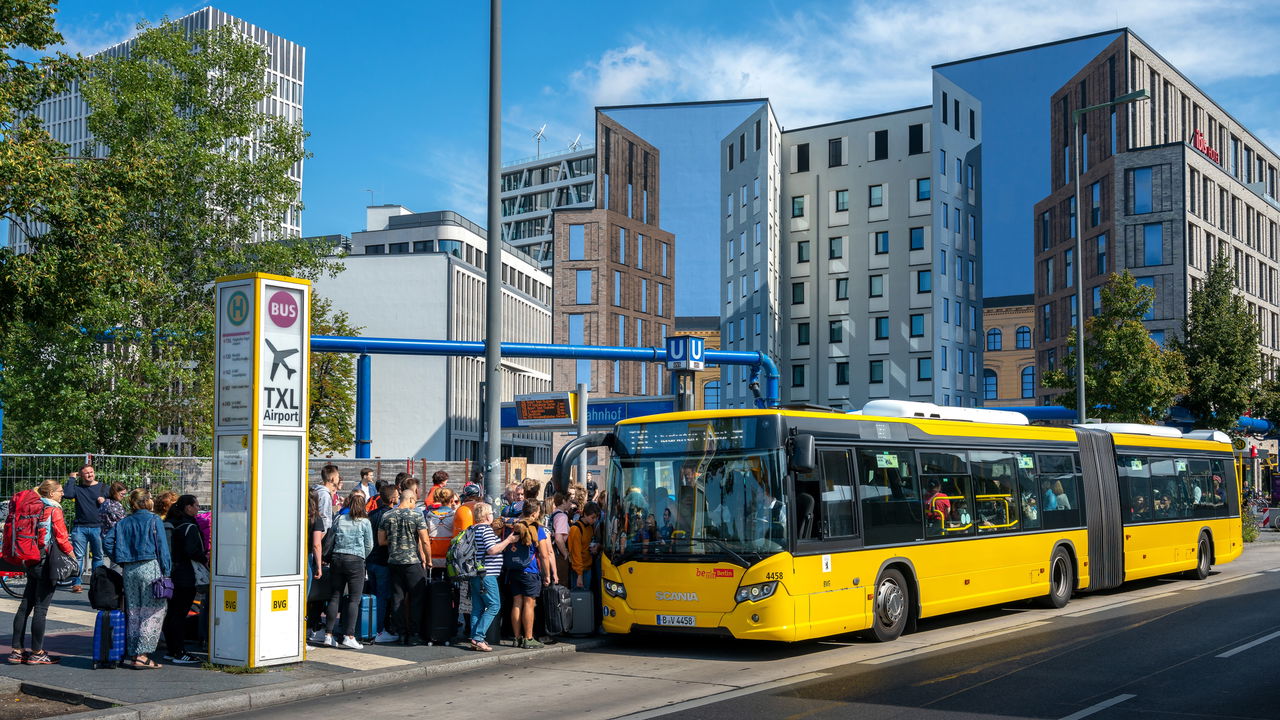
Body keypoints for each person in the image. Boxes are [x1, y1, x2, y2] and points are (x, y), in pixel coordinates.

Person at [8, 480, 75, 665]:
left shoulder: (34, 507)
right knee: (41, 608)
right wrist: (74, 557)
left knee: (25, 605)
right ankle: (37, 652)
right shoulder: (54, 509)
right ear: (51, 494)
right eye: (60, 491)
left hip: (30, 558)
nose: (63, 494)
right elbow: (61, 538)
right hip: (46, 562)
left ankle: (16, 650)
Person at [104, 489, 170, 669]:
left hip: (130, 569)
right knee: (153, 610)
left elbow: (107, 542)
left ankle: (134, 653)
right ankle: (143, 655)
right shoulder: (154, 520)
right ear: (146, 502)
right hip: (150, 566)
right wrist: (167, 571)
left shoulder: (123, 522)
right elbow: (162, 549)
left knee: (133, 610)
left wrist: (120, 558)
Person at [378, 479, 430, 645]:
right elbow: (425, 540)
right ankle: (414, 634)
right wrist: (428, 560)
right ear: (411, 500)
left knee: (397, 598)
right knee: (416, 599)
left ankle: (401, 633)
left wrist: (395, 541)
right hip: (413, 562)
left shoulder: (387, 515)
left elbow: (381, 541)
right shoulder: (417, 515)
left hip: (393, 561)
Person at [161, 495, 207, 664]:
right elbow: (192, 551)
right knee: (180, 613)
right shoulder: (190, 526)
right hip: (186, 574)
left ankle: (172, 650)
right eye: (196, 505)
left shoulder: (172, 523)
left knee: (172, 612)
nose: (198, 508)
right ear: (188, 507)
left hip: (172, 573)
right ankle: (180, 652)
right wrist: (204, 558)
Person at [325, 493, 373, 650]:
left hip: (337, 558)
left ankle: (329, 634)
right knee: (354, 599)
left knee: (335, 595)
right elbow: (369, 545)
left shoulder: (339, 519)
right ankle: (349, 635)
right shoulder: (365, 522)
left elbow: (331, 538)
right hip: (355, 560)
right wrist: (361, 557)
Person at [505, 503, 555, 649]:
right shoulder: (535, 528)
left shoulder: (514, 525)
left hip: (513, 570)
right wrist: (547, 575)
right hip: (530, 570)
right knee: (529, 603)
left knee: (516, 603)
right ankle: (528, 638)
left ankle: (516, 638)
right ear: (534, 513)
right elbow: (544, 555)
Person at [468, 503, 516, 651]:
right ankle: (479, 637)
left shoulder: (472, 529)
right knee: (494, 605)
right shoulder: (486, 530)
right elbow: (492, 549)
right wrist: (508, 540)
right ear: (486, 515)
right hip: (487, 574)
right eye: (491, 513)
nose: (492, 515)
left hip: (474, 573)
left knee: (477, 607)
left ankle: (474, 638)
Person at [63, 464, 105, 593]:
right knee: (78, 557)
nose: (90, 475)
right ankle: (76, 583)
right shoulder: (77, 488)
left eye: (91, 472)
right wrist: (71, 479)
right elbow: (68, 494)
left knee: (98, 556)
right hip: (80, 527)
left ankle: (97, 583)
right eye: (86, 473)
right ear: (81, 476)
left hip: (98, 527)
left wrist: (105, 501)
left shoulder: (103, 487)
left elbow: (114, 501)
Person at [367, 481, 398, 643]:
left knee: (372, 596)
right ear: (392, 499)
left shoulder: (371, 514)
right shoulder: (391, 515)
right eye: (397, 496)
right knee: (382, 597)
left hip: (370, 559)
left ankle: (370, 628)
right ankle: (379, 630)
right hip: (384, 561)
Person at [568, 502, 600, 591]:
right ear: (585, 514)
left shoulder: (590, 527)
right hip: (578, 570)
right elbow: (575, 553)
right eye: (592, 517)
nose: (595, 520)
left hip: (587, 567)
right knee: (579, 598)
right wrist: (579, 575)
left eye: (596, 517)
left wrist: (596, 547)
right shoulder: (576, 529)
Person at [548, 492, 573, 585]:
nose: (571, 503)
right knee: (562, 583)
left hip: (552, 552)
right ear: (563, 501)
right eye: (569, 501)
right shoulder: (562, 516)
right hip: (559, 555)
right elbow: (559, 538)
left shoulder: (554, 514)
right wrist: (565, 553)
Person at [311, 465, 341, 532]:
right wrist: (323, 534)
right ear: (332, 478)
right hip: (323, 534)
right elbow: (324, 516)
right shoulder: (324, 494)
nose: (339, 478)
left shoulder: (319, 491)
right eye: (338, 476)